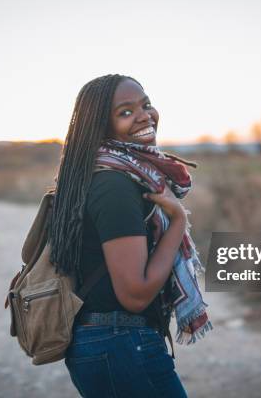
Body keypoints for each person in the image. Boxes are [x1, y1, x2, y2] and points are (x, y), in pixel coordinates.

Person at [48, 74, 212, 397]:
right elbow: (135, 294)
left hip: (113, 341)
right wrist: (177, 220)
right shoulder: (114, 186)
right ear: (101, 126)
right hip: (119, 342)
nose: (144, 116)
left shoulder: (112, 174)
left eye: (146, 105)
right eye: (125, 112)